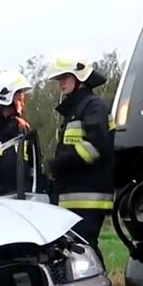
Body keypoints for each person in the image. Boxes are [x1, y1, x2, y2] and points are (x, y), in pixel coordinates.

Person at [46, 50, 115, 263]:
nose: (61, 84)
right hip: (74, 195)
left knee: (85, 251)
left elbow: (96, 146)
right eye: (59, 79)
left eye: (64, 78)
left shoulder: (93, 107)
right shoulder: (75, 110)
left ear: (80, 78)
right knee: (79, 253)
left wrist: (62, 163)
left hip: (90, 197)